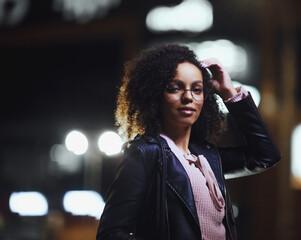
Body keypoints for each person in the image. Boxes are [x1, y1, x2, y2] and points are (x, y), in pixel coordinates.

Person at [96, 44, 280, 240]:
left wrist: (229, 93)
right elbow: (111, 234)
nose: (188, 97)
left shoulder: (206, 157)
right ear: (155, 94)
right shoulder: (145, 153)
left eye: (197, 89)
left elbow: (265, 156)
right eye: (174, 88)